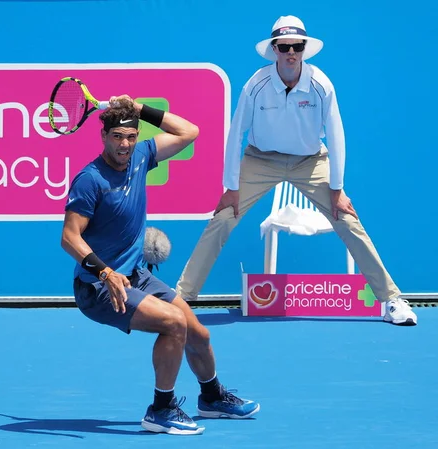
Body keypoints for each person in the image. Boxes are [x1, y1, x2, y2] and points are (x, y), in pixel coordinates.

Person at [176, 15, 417, 326]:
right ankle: (181, 299)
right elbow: (236, 133)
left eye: (297, 46)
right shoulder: (256, 85)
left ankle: (392, 300)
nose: (291, 52)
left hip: (310, 162)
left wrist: (337, 188)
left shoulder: (321, 85)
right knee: (222, 218)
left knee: (347, 219)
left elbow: (337, 136)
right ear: (274, 49)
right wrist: (231, 186)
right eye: (284, 46)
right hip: (260, 160)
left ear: (304, 49)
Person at [61, 97, 261, 435]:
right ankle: (161, 409)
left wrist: (139, 107)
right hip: (97, 287)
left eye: (130, 136)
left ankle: (211, 398)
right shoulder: (90, 179)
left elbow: (189, 131)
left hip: (135, 275)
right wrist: (105, 272)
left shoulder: (141, 155)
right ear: (104, 137)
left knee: (199, 333)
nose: (124, 145)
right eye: (117, 137)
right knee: (173, 323)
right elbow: (69, 237)